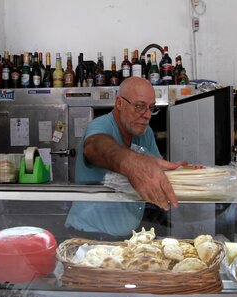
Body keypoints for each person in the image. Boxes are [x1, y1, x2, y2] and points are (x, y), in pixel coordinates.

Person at [65, 77, 183, 239]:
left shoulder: (145, 132)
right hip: (89, 236)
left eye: (151, 108)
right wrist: (131, 163)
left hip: (128, 237)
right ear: (119, 103)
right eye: (140, 107)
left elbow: (159, 173)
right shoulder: (101, 125)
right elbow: (96, 146)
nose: (147, 115)